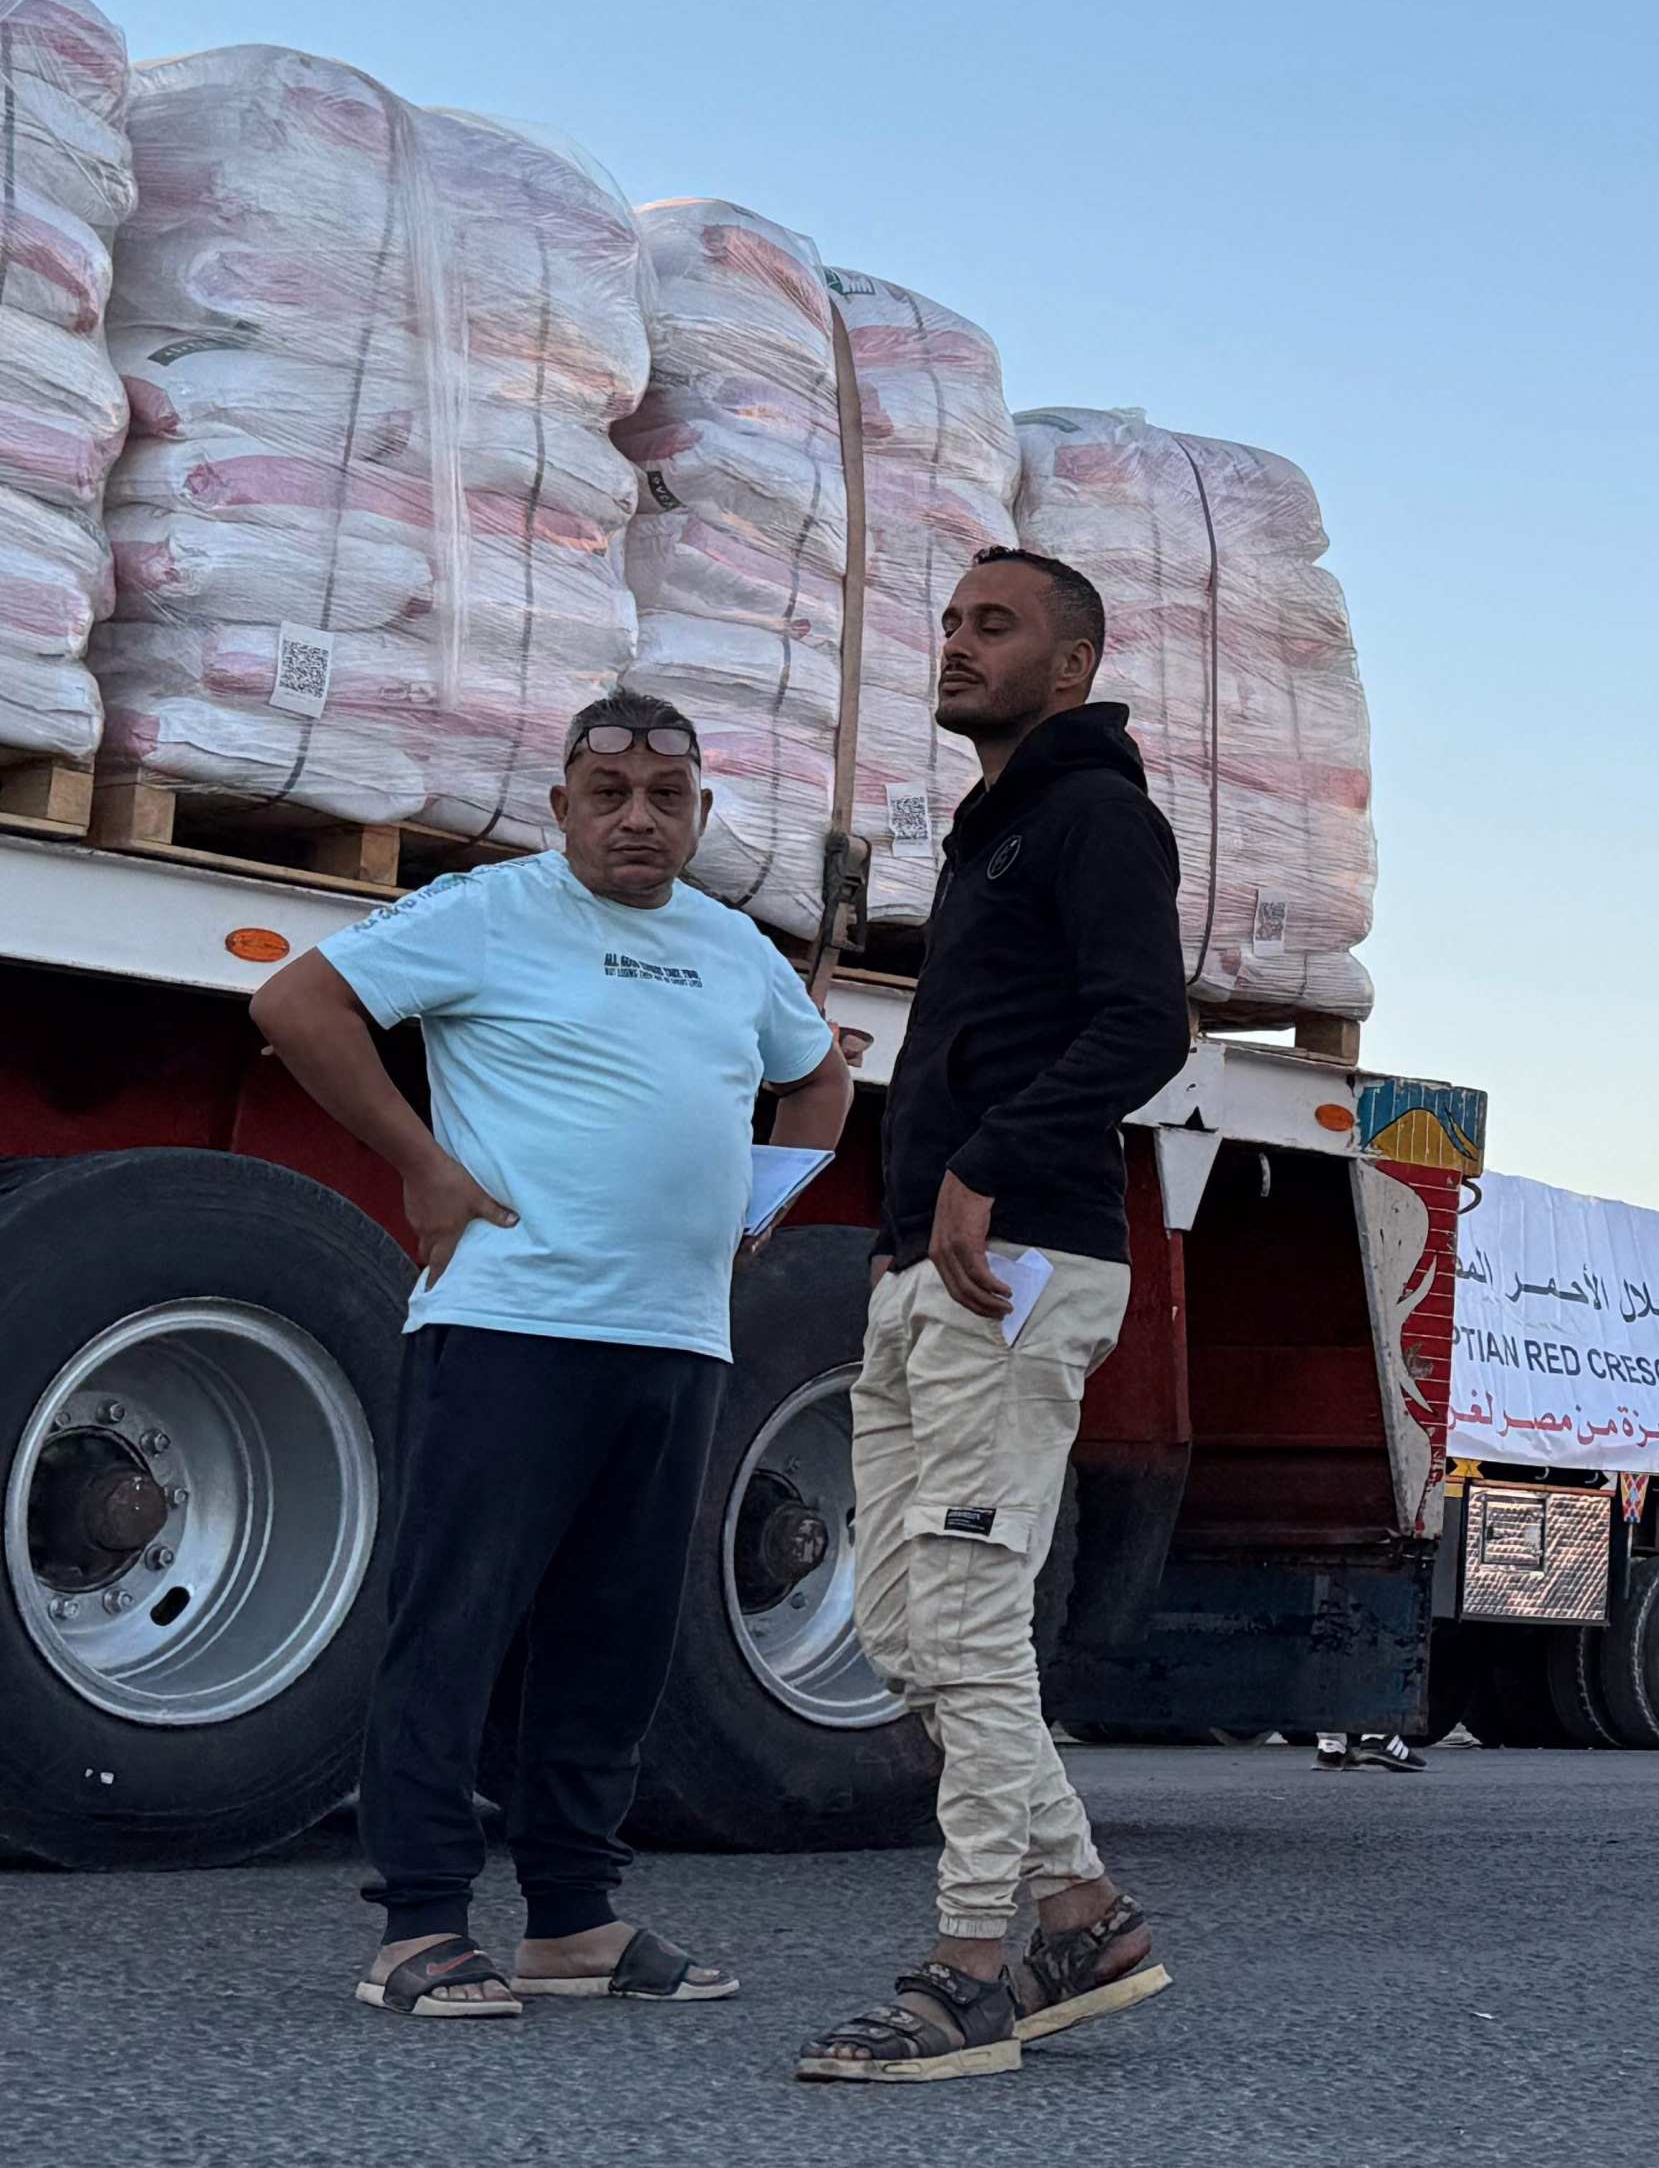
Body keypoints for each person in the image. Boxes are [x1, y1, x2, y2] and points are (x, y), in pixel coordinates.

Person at [253, 691, 851, 2021]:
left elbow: (820, 1079)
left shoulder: (732, 946)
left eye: (668, 796)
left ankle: (573, 1920)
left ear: (702, 811)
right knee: (456, 1622)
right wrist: (422, 1165)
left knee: (615, 1636)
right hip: (511, 1324)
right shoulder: (490, 911)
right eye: (608, 791)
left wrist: (759, 1205)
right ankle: (418, 1925)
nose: (639, 817)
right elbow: (297, 1003)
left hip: (676, 1338)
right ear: (560, 805)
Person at [797, 547, 1192, 2085]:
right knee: (904, 1635)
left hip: (1017, 1259)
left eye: (996, 625)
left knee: (966, 1619)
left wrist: (985, 1161)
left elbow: (1145, 1023)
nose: (957, 644)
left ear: (1073, 665)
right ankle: (1085, 1914)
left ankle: (970, 1970)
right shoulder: (991, 831)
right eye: (951, 621)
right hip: (930, 1272)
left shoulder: (1097, 815)